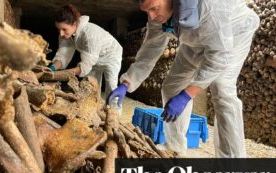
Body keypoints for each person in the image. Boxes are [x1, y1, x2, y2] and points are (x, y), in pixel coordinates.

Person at [107, 0, 260, 157]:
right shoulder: (156, 16)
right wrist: (127, 83)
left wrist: (187, 95)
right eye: (147, 12)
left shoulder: (210, 8)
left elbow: (219, 58)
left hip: (234, 33)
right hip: (196, 40)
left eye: (153, 9)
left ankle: (232, 166)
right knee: (172, 86)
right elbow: (150, 49)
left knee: (222, 91)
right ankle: (174, 147)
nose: (151, 16)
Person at [50, 4, 123, 109]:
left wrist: (61, 74)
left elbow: (85, 66)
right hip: (93, 58)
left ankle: (114, 116)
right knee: (90, 86)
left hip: (111, 54)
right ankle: (94, 111)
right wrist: (52, 68)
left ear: (75, 24)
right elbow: (63, 54)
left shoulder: (90, 33)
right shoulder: (66, 34)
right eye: (58, 29)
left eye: (64, 29)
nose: (61, 33)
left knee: (111, 85)